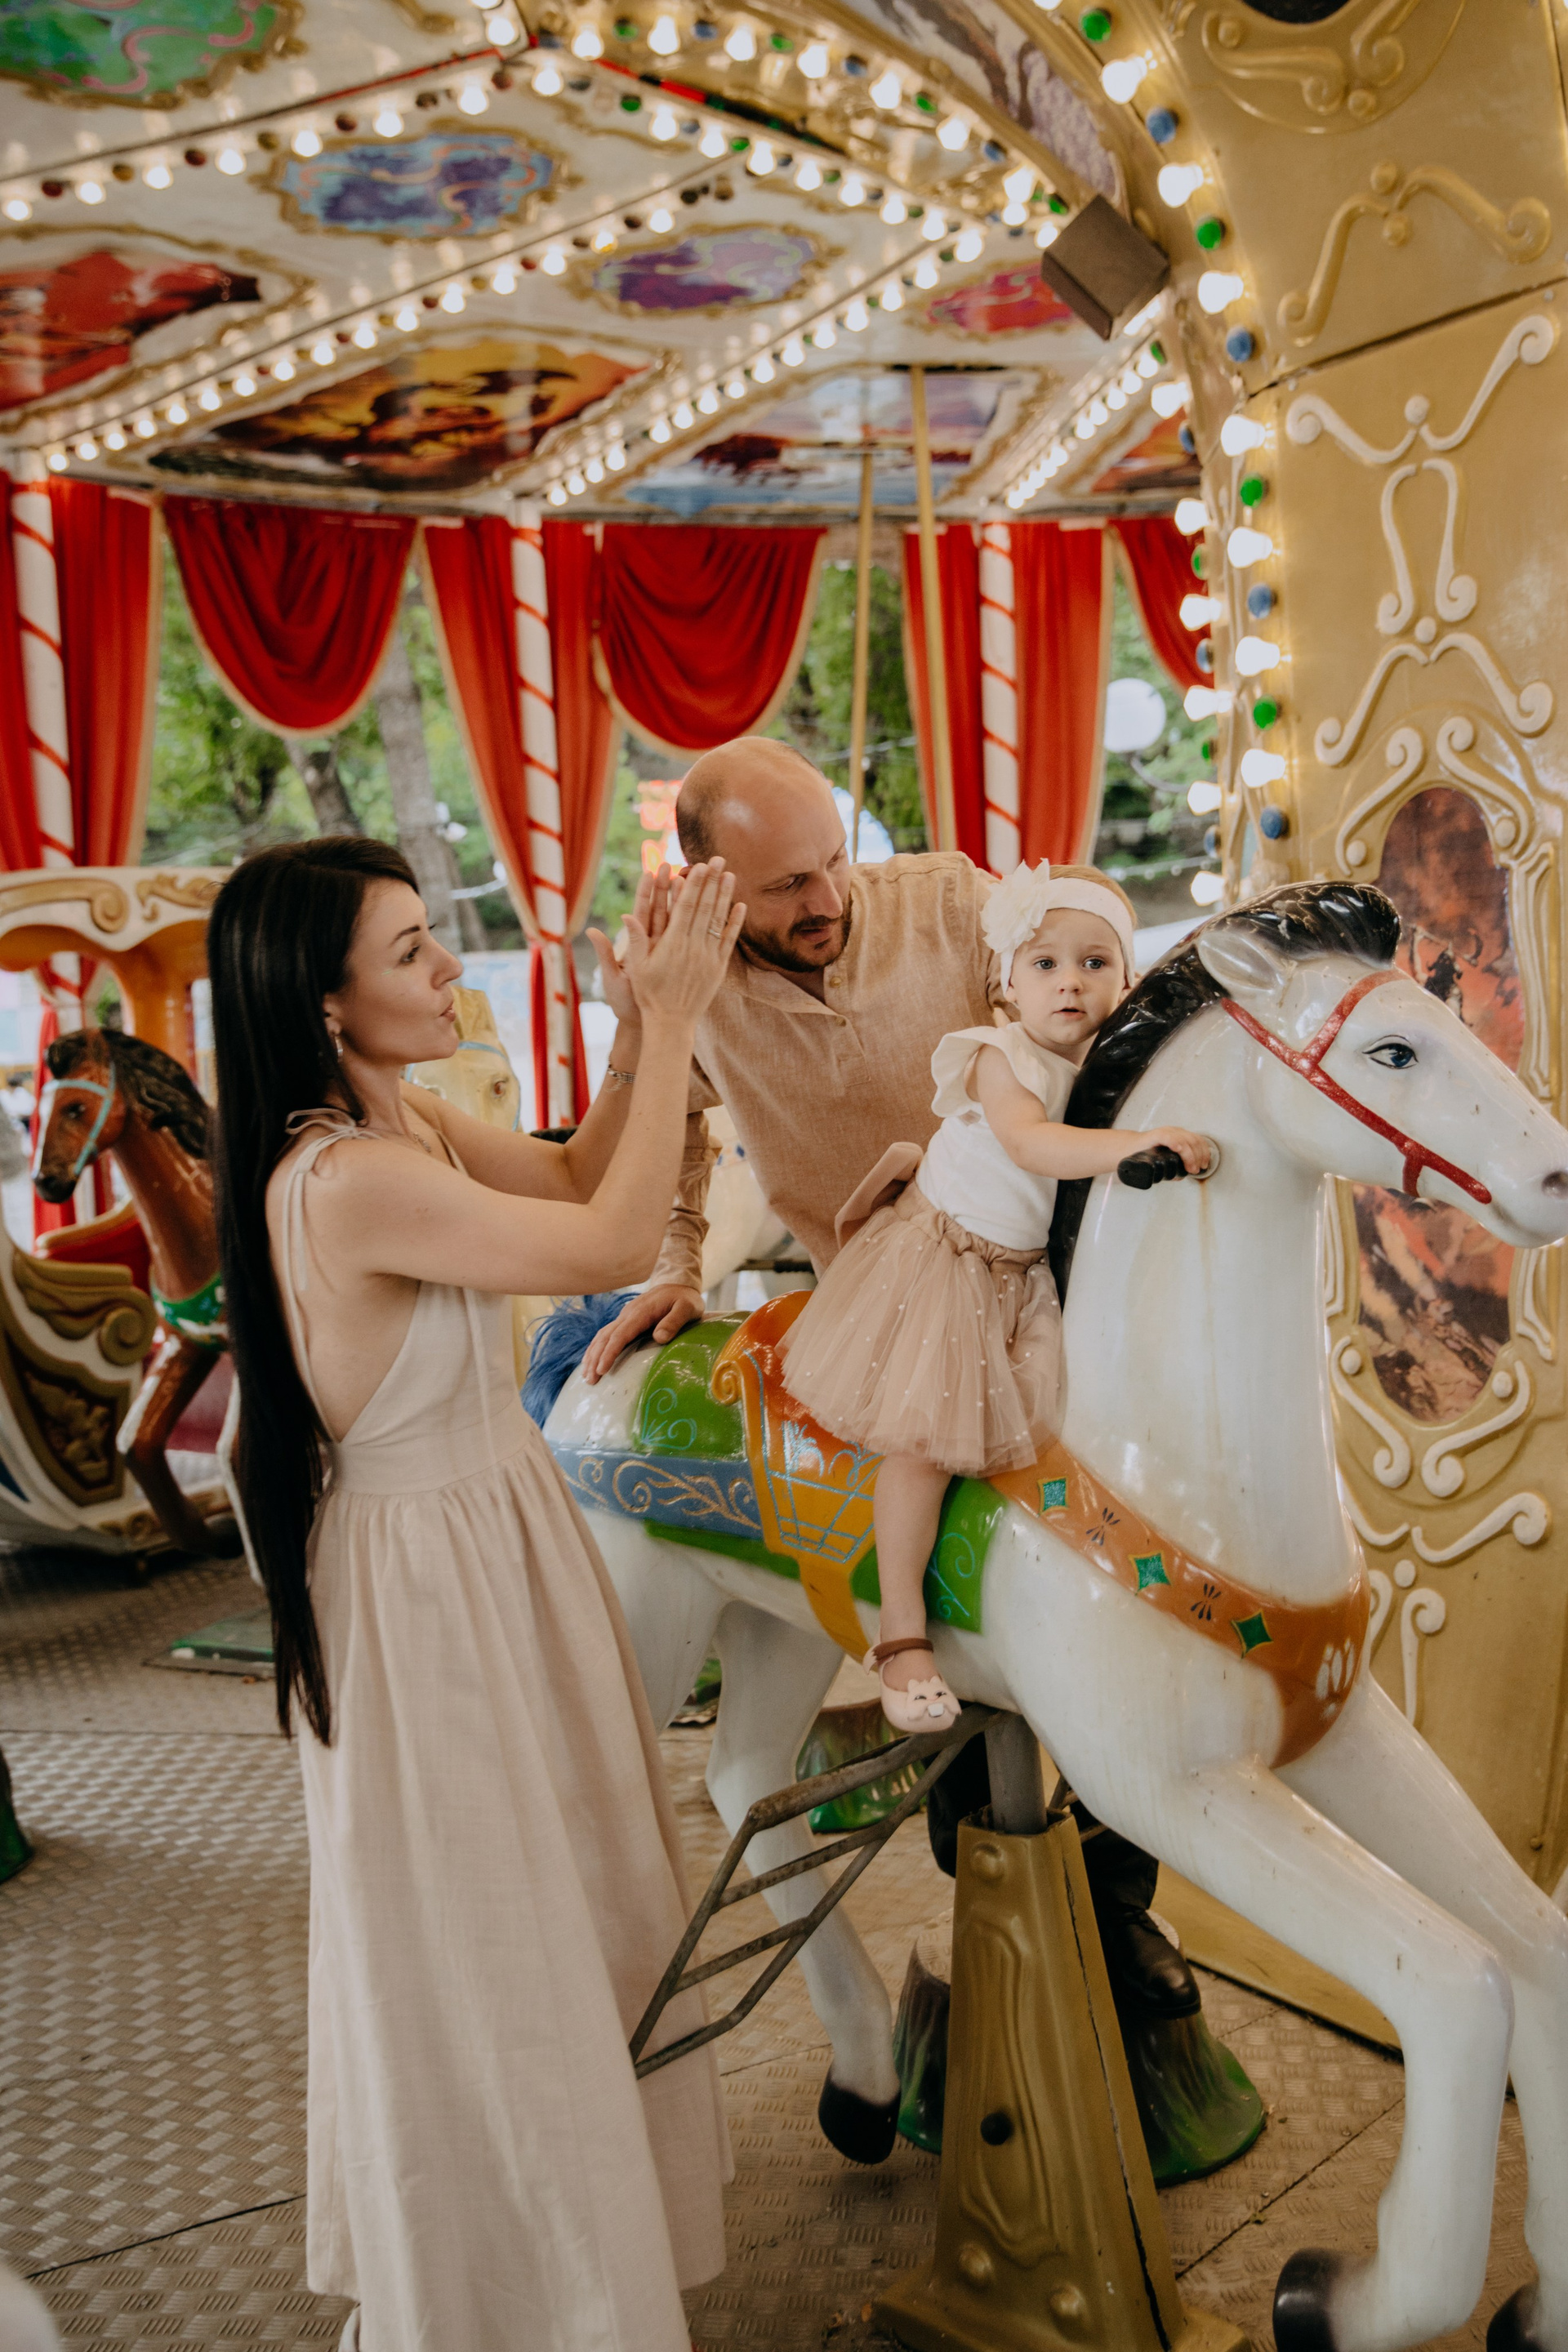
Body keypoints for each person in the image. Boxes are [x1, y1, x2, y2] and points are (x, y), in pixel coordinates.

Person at [208, 836, 742, 2352]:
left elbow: (575, 1172)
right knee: (492, 1932)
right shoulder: (345, 1179)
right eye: (410, 951)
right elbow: (610, 1241)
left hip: (494, 1534)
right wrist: (682, 1016)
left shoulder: (406, 1122)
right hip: (424, 1583)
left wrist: (634, 1027)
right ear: (323, 1002)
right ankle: (522, 2299)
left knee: (573, 1899)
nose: (450, 965)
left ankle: (574, 2275)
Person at [581, 738, 1204, 2019]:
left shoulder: (951, 902)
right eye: (783, 887)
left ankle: (1122, 1889)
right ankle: (1003, 1899)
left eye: (833, 862)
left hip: (1052, 1279)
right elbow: (667, 1132)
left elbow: (1081, 1006)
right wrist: (676, 1263)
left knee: (1130, 1560)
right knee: (961, 1595)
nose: (826, 899)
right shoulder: (691, 980)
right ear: (706, 885)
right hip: (888, 1310)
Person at [779, 858, 1209, 1732]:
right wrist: (1138, 1145)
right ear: (1008, 982)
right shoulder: (996, 1055)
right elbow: (1029, 1145)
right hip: (943, 1266)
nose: (1069, 982)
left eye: (1094, 963)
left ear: (1126, 984)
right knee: (923, 1446)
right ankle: (901, 1636)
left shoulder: (1107, 1074)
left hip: (1021, 1277)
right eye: (1045, 963)